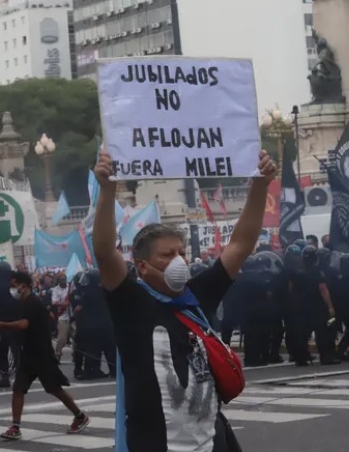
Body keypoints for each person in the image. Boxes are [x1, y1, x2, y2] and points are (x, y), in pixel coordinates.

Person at [93, 148, 275, 452]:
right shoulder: (131, 303)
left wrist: (260, 185)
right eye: (167, 255)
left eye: (181, 252)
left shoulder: (196, 296)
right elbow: (103, 251)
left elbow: (241, 243)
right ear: (141, 266)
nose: (179, 261)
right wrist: (108, 190)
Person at [0, 271, 90, 441]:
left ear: (25, 285)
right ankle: (15, 426)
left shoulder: (31, 302)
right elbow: (49, 315)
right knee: (18, 389)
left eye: (14, 285)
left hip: (41, 354)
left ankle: (79, 415)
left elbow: (24, 324)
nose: (12, 289)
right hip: (28, 353)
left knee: (54, 389)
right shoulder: (26, 302)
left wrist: (2, 325)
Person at [51, 273, 72, 362]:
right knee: (62, 338)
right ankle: (58, 354)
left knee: (77, 336)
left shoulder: (70, 288)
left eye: (64, 279)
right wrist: (63, 304)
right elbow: (54, 302)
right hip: (62, 316)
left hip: (73, 315)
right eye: (61, 279)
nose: (63, 281)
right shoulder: (56, 290)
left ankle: (77, 355)